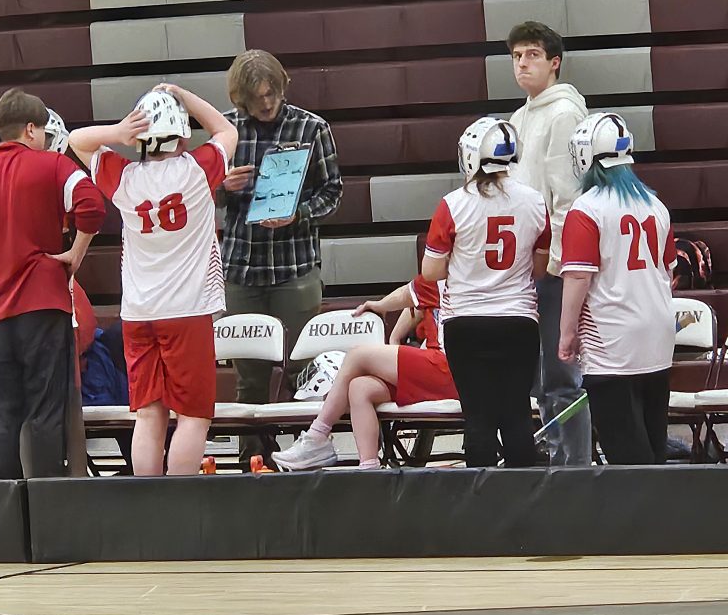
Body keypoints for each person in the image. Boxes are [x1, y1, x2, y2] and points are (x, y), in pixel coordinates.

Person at [0, 89, 106, 479]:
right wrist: (75, 254)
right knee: (45, 412)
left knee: (2, 413)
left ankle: (6, 510)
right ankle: (46, 507)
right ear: (31, 129)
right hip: (44, 305)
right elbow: (92, 206)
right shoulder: (54, 166)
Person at [68, 84, 238, 475]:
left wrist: (117, 132)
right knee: (193, 417)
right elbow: (227, 131)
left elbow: (77, 140)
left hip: (139, 314)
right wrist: (184, 93)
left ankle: (147, 506)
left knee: (148, 416)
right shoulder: (197, 170)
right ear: (182, 133)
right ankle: (178, 503)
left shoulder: (124, 179)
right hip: (188, 311)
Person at [220, 49, 343, 466]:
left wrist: (299, 213)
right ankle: (251, 458)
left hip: (295, 267)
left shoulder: (312, 127)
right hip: (242, 267)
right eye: (257, 98)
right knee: (249, 376)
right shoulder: (227, 130)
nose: (267, 103)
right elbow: (197, 192)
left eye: (272, 94)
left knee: (303, 369)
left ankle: (306, 452)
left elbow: (333, 192)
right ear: (241, 99)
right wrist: (222, 186)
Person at [422, 117, 550, 468]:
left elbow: (430, 271)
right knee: (517, 417)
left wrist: (468, 265)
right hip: (519, 321)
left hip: (466, 322)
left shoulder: (452, 204)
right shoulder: (535, 202)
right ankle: (527, 507)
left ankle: (481, 512)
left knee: (478, 419)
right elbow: (539, 269)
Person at [559, 113, 675, 464]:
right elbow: (668, 270)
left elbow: (578, 277)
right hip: (659, 334)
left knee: (626, 453)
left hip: (612, 342)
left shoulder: (587, 209)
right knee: (654, 440)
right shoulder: (656, 205)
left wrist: (566, 335)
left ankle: (641, 517)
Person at [506, 21, 591, 466]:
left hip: (553, 268)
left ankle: (574, 469)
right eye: (518, 55)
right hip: (527, 267)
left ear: (554, 62)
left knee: (562, 374)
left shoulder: (563, 114)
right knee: (540, 377)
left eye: (533, 55)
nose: (523, 63)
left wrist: (554, 264)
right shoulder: (520, 117)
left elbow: (567, 199)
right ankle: (557, 459)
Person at [271, 276, 457, 470]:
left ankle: (317, 436)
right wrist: (394, 337)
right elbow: (416, 298)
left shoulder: (462, 277)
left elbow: (408, 294)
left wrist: (380, 305)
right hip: (436, 369)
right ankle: (370, 469)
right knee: (360, 388)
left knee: (358, 355)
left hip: (453, 368)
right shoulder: (438, 279)